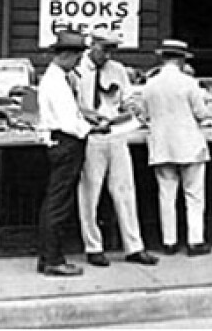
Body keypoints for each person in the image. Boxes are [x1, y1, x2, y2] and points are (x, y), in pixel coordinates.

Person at [76, 30, 158, 268]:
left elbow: (127, 97)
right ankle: (93, 246)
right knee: (90, 192)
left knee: (125, 189)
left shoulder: (117, 70)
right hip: (91, 136)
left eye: (111, 50)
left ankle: (134, 247)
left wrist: (133, 108)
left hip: (116, 134)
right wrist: (90, 118)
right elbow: (74, 106)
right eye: (104, 49)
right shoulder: (77, 71)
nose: (107, 55)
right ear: (92, 45)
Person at [36, 29, 109, 277]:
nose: (79, 62)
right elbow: (68, 122)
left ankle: (47, 256)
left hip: (61, 141)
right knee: (58, 204)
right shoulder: (56, 82)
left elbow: (70, 111)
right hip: (66, 142)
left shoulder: (59, 78)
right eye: (77, 58)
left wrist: (84, 114)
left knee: (55, 202)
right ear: (67, 55)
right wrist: (95, 127)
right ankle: (53, 259)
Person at [140, 39, 211, 257]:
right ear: (181, 59)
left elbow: (144, 115)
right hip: (189, 144)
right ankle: (195, 241)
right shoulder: (189, 83)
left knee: (166, 194)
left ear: (162, 58)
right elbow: (201, 113)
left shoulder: (150, 84)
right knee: (194, 195)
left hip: (162, 145)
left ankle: (169, 241)